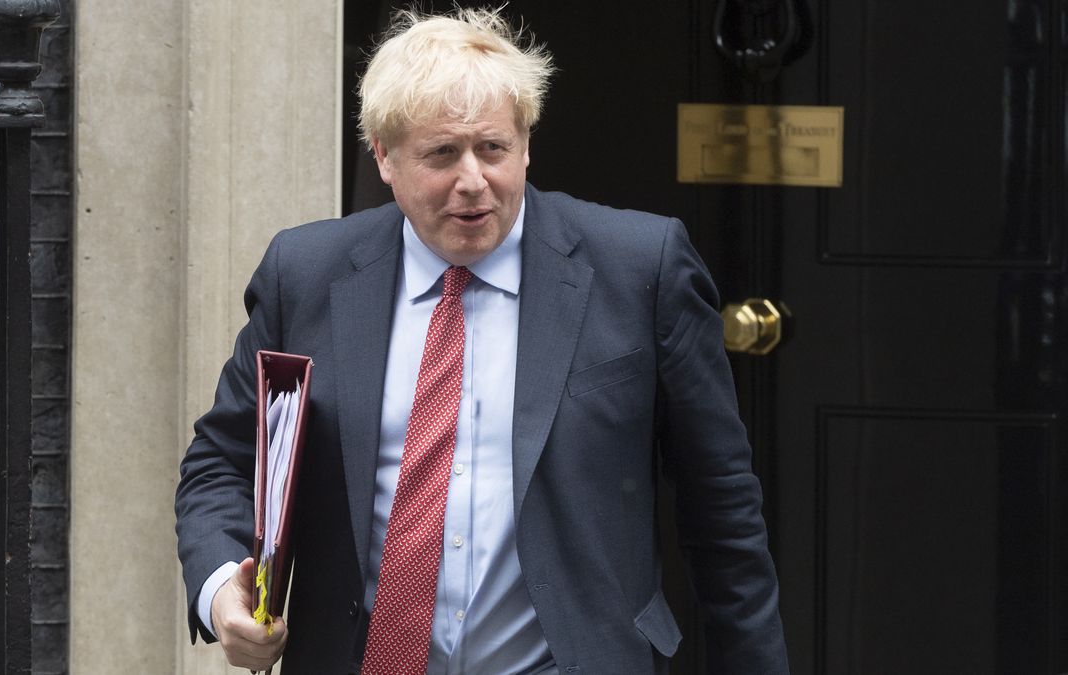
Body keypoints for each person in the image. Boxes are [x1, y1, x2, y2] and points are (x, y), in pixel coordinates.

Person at [175, 7, 788, 674]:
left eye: (493, 148)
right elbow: (223, 460)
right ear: (383, 155)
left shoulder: (640, 269)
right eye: (442, 153)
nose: (473, 181)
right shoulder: (307, 274)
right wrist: (220, 592)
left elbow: (722, 511)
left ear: (525, 145)